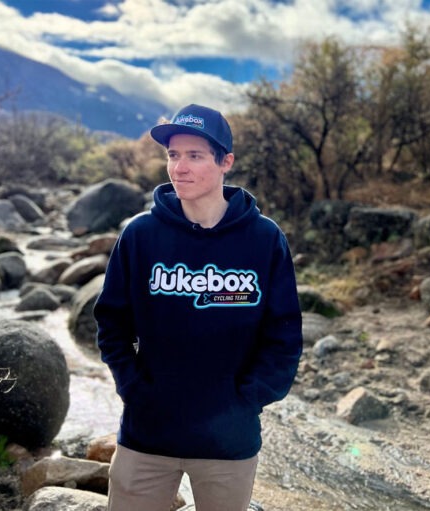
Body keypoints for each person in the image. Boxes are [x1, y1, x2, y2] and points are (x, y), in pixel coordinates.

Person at [95, 104, 303, 511]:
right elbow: (111, 323)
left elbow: (284, 335)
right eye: (173, 155)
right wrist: (134, 389)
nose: (179, 168)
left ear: (226, 162)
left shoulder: (264, 239)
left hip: (229, 442)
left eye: (195, 155)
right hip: (146, 436)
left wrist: (247, 399)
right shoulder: (140, 235)